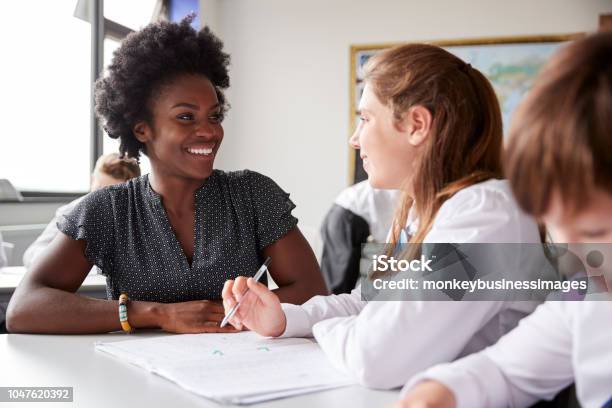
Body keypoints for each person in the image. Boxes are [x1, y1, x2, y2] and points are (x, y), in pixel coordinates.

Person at [221, 43, 541, 389]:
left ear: (417, 124)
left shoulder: (485, 217)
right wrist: (284, 319)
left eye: (365, 119)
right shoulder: (423, 211)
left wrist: (323, 329)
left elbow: (376, 357)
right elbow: (370, 300)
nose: (354, 139)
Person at [6, 16, 327, 334]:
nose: (209, 131)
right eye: (186, 117)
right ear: (142, 129)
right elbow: (25, 309)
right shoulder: (107, 210)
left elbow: (314, 292)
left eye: (214, 116)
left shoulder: (253, 195)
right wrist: (157, 314)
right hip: (139, 380)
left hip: (242, 373)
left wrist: (228, 312)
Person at [397, 31, 612, 408]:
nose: (572, 257)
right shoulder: (588, 294)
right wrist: (435, 396)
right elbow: (503, 370)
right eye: (556, 229)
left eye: (596, 231)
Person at [22, 153, 141, 269]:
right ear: (92, 180)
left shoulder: (141, 217)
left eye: (113, 195)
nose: (102, 200)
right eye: (98, 189)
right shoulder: (71, 210)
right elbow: (31, 254)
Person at [320, 180, 400, 294]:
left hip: (342, 212)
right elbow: (391, 233)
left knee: (343, 278)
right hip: (346, 216)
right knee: (339, 283)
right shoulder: (402, 193)